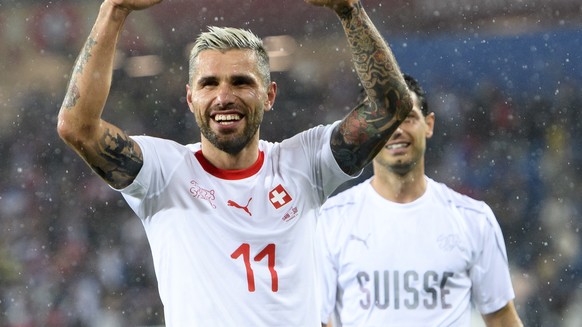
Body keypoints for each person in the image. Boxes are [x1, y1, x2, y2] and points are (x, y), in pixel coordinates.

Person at [57, 0, 413, 325]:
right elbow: (77, 127)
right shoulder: (162, 172)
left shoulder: (304, 163)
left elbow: (390, 107)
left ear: (269, 95)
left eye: (241, 82)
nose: (223, 97)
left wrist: (349, 10)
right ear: (190, 97)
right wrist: (114, 10)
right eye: (209, 84)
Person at [317, 75, 524, 327]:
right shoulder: (330, 220)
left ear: (429, 124)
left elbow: (502, 319)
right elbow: (319, 319)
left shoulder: (474, 219)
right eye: (383, 120)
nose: (397, 130)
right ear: (365, 133)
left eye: (408, 117)